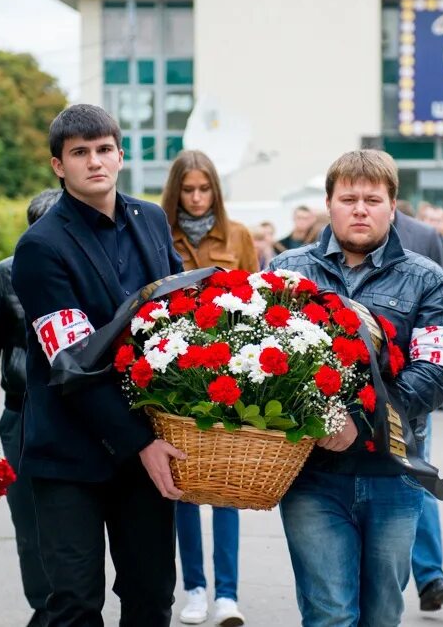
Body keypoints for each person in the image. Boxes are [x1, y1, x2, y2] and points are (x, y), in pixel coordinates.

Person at [270, 149, 443, 626]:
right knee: (329, 613)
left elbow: (437, 371)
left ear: (392, 206)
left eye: (372, 199)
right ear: (328, 204)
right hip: (311, 475)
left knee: (381, 613)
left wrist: (360, 423)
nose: (360, 209)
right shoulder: (286, 272)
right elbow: (255, 362)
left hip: (392, 473)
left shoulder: (428, 279)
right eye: (348, 198)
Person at [11, 104, 184, 626]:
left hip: (146, 451)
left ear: (121, 155)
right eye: (80, 153)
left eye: (104, 150)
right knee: (76, 606)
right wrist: (140, 441)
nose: (94, 162)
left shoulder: (150, 218)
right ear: (58, 166)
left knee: (152, 597)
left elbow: (179, 317)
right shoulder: (40, 247)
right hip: (70, 456)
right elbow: (74, 366)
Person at [160, 150, 253, 626]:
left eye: (204, 189)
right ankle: (194, 588)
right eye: (188, 190)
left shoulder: (237, 235)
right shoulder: (158, 233)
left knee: (228, 487)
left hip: (231, 374)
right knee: (185, 485)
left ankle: (228, 594)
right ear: (176, 191)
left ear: (216, 189)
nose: (197, 199)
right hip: (176, 375)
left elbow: (260, 301)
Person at [0, 189, 61, 627]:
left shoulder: (80, 273)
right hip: (20, 412)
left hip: (72, 414)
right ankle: (44, 608)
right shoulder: (7, 275)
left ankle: (70, 605)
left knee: (70, 519)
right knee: (28, 521)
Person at [394, 203, 443, 614]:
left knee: (418, 472)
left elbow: (439, 309)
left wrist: (429, 377)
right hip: (352, 390)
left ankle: (430, 575)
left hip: (412, 385)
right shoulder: (332, 230)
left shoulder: (423, 236)